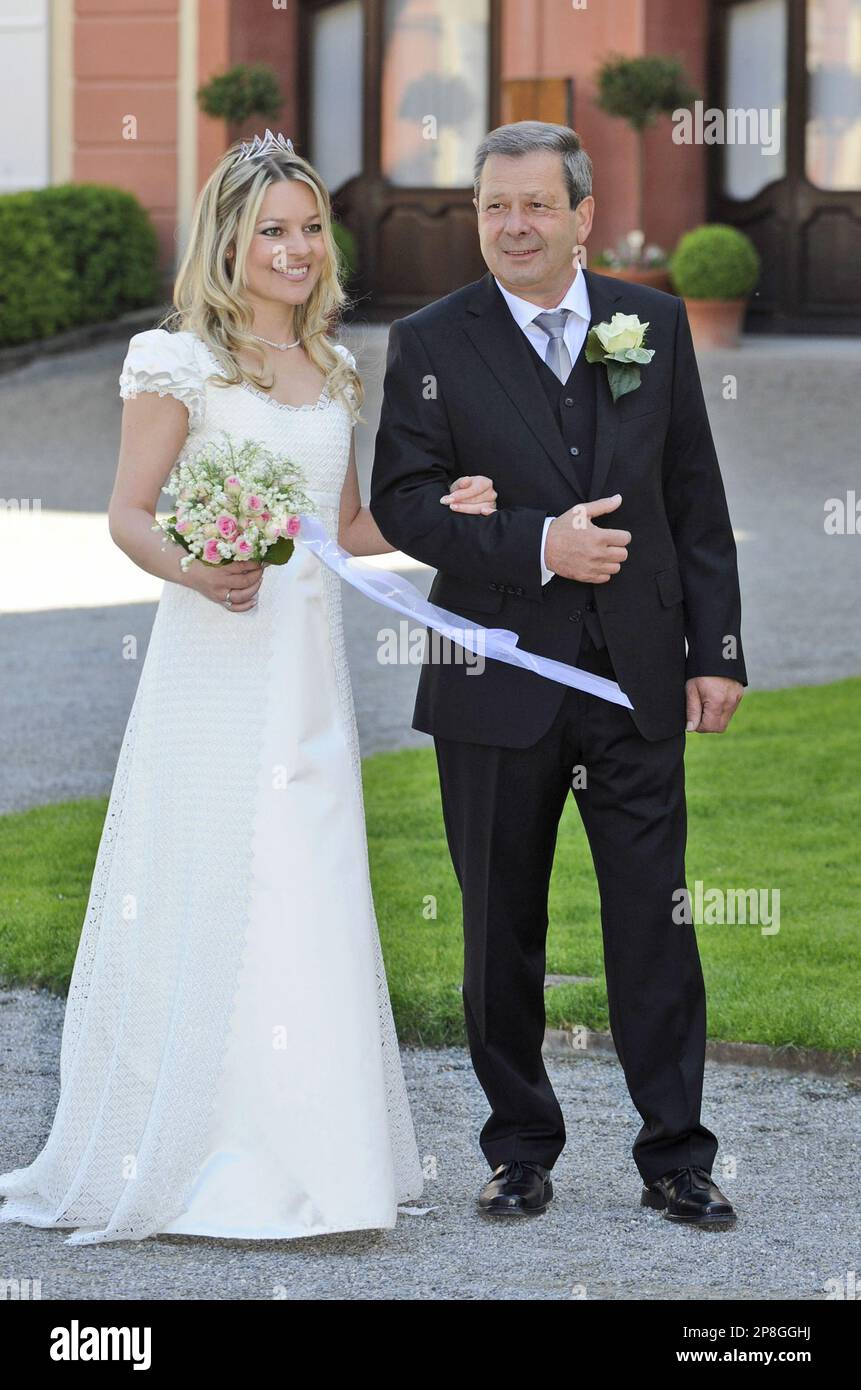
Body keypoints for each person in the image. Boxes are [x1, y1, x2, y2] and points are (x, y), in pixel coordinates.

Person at [0, 130, 498, 1245]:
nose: (295, 248)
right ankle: (189, 1153)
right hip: (213, 666)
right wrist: (195, 565)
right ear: (228, 242)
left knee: (307, 883)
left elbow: (353, 524)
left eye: (310, 227)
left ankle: (321, 1166)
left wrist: (448, 521)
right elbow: (131, 511)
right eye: (271, 229)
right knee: (210, 878)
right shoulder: (177, 363)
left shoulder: (337, 368)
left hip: (308, 685)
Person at [370, 121, 747, 1227]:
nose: (514, 226)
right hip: (494, 675)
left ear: (584, 215)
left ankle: (676, 1154)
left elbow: (696, 504)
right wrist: (538, 544)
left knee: (655, 922)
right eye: (494, 206)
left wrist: (715, 652)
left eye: (536, 205)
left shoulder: (653, 323)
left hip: (636, 677)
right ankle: (519, 1147)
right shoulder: (433, 340)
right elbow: (403, 499)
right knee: (498, 926)